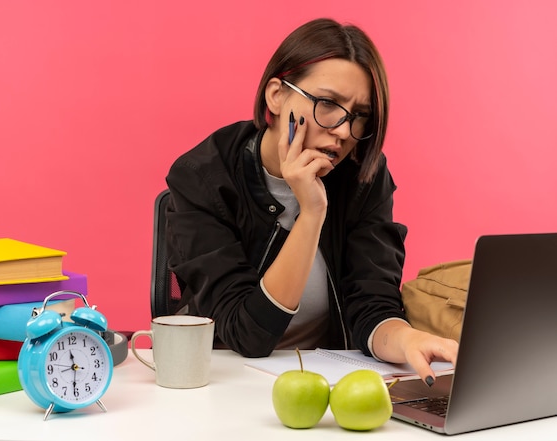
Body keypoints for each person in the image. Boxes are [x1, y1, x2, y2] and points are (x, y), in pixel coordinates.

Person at [164, 18, 458, 385]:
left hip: (328, 385)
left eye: (360, 116)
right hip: (224, 382)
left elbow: (372, 305)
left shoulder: (363, 176)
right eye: (328, 103)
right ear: (276, 94)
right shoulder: (204, 177)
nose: (342, 131)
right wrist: (311, 213)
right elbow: (246, 334)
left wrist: (408, 338)